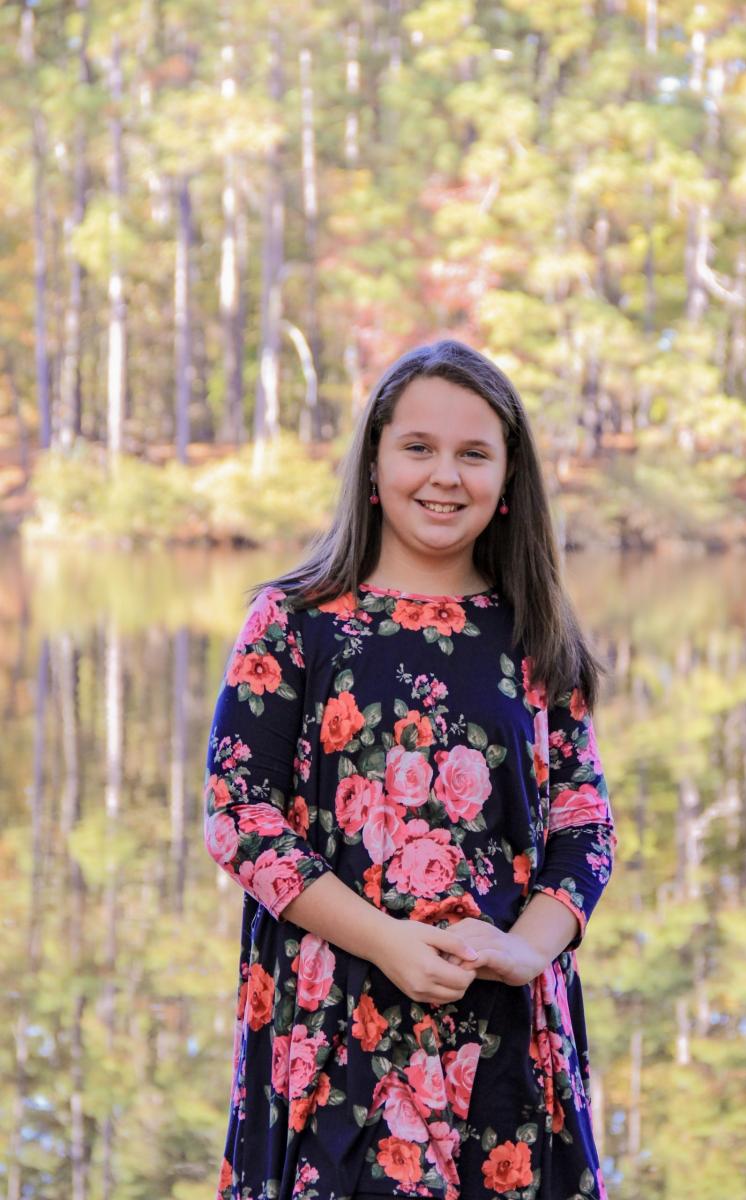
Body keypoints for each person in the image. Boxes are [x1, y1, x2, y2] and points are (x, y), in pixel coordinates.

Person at [204, 338, 618, 1200]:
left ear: (509, 477)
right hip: (334, 1019)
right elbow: (239, 818)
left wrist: (523, 949)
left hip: (505, 1028)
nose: (444, 477)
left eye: (474, 454)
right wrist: (385, 941)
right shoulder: (295, 621)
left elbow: (585, 828)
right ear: (374, 462)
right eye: (418, 447)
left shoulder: (535, 633)